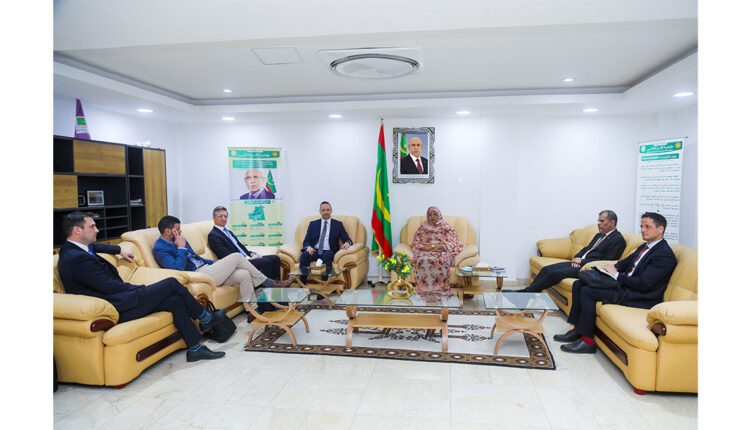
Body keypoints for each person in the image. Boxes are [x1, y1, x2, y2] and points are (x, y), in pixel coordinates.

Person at [57, 211, 226, 362]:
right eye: (92, 226)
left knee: (174, 300)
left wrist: (119, 250)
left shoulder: (78, 248)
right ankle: (205, 317)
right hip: (117, 306)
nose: (97, 230)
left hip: (121, 298)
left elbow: (96, 246)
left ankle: (195, 349)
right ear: (77, 230)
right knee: (172, 283)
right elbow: (109, 287)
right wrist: (139, 289)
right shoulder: (76, 259)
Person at [555, 212, 677, 354]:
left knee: (587, 291)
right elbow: (625, 262)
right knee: (579, 284)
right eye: (641, 226)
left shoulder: (664, 255)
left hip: (640, 296)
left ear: (660, 229)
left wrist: (617, 275)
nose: (643, 230)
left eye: (647, 227)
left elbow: (644, 284)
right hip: (627, 286)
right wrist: (611, 268)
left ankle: (588, 342)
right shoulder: (645, 246)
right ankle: (577, 330)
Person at [152, 215, 292, 321]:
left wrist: (216, 263)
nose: (180, 232)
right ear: (168, 231)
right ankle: (270, 282)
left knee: (244, 274)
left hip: (208, 268)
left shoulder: (179, 239)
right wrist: (181, 248)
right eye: (177, 230)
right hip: (198, 275)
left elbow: (197, 258)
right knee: (236, 256)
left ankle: (252, 312)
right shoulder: (160, 249)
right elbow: (178, 269)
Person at [520, 210, 626, 293]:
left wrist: (581, 262)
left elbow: (606, 261)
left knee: (553, 273)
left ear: (612, 222)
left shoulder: (618, 240)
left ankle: (527, 294)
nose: (598, 223)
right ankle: (529, 293)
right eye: (598, 221)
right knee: (546, 269)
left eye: (602, 221)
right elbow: (586, 249)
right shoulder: (599, 235)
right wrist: (577, 258)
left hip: (588, 269)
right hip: (578, 263)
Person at [207, 206, 282, 279]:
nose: (223, 218)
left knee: (275, 258)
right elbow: (226, 255)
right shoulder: (213, 235)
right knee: (266, 262)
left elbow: (240, 247)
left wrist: (252, 254)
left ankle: (277, 284)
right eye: (220, 216)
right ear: (214, 218)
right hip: (238, 263)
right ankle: (269, 286)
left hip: (246, 258)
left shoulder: (228, 232)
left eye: (225, 216)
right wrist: (247, 259)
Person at [411, 206, 464, 295]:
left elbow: (452, 242)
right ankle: (424, 290)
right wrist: (427, 247)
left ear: (439, 215)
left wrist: (433, 247)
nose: (432, 217)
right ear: (427, 216)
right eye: (430, 215)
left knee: (441, 260)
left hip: (442, 252)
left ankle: (441, 291)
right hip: (425, 252)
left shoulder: (446, 227)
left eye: (435, 214)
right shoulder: (422, 228)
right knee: (422, 260)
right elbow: (416, 243)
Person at [299, 201, 352, 283]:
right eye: (323, 210)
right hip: (315, 250)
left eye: (327, 210)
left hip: (329, 251)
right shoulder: (313, 224)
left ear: (331, 211)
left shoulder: (338, 224)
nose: (325, 212)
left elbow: (347, 239)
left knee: (327, 256)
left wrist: (347, 243)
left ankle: (324, 284)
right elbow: (306, 241)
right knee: (304, 255)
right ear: (320, 211)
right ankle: (302, 284)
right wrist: (308, 247)